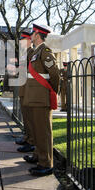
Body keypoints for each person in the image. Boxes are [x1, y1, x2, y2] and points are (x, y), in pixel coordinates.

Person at [22, 24, 60, 176]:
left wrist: (51, 91)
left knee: (43, 132)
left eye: (32, 33)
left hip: (41, 97)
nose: (31, 35)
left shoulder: (45, 51)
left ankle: (46, 164)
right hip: (33, 97)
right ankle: (38, 156)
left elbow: (55, 73)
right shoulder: (36, 52)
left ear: (37, 35)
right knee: (37, 130)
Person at [15, 31, 36, 153]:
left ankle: (31, 141)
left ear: (28, 41)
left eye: (23, 40)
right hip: (23, 87)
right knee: (25, 116)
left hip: (28, 88)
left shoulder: (32, 53)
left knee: (29, 117)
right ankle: (27, 137)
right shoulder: (25, 54)